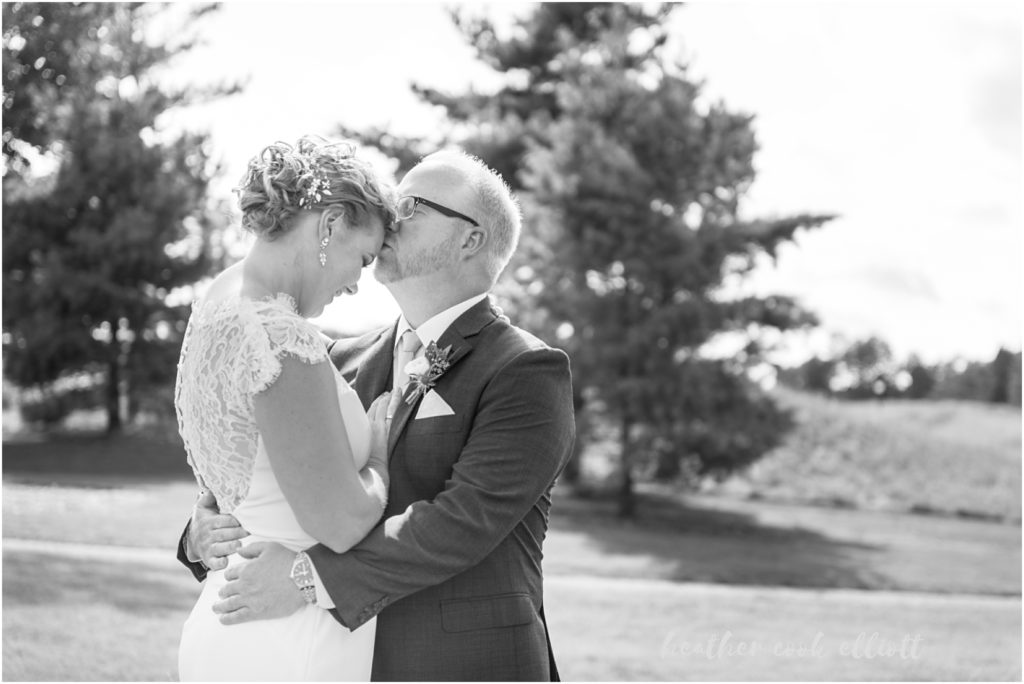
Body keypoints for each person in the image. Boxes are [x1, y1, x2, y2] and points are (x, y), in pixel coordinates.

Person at [179, 149, 577, 680]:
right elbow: (253, 458)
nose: (390, 213)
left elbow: (461, 522)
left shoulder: (526, 370)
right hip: (329, 658)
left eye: (412, 205)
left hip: (460, 666)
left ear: (471, 238)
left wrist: (304, 577)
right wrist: (203, 531)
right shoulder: (330, 356)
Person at [174, 135, 397, 681]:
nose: (354, 285)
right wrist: (380, 461)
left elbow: (236, 459)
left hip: (229, 619)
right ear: (331, 224)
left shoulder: (219, 302)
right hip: (291, 640)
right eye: (361, 259)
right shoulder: (279, 337)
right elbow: (342, 524)